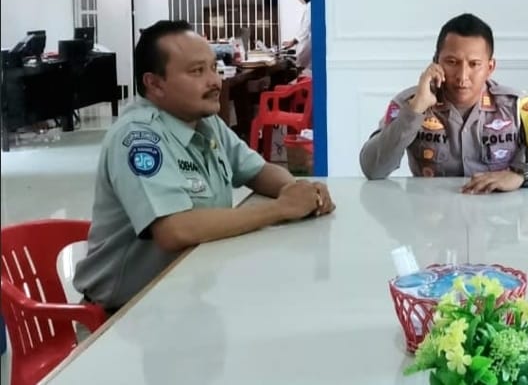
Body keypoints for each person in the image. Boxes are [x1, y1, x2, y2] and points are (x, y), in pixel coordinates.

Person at [73, 20, 335, 313]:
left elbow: (258, 171)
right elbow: (174, 230)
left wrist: (296, 190)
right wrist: (281, 208)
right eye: (197, 71)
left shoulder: (204, 121)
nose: (215, 81)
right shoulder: (138, 139)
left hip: (186, 294)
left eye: (213, 67)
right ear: (154, 84)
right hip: (125, 312)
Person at [359, 13, 528, 193]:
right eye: (452, 62)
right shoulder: (409, 103)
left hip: (500, 222)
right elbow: (372, 169)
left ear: (490, 67)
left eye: (474, 64)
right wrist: (415, 110)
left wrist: (520, 175)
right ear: (436, 62)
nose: (462, 76)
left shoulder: (516, 106)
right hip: (430, 225)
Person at [282, 0, 311, 70]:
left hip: (307, 45)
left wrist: (294, 41)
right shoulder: (309, 6)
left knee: (303, 68)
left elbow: (306, 28)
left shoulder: (310, 7)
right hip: (306, 45)